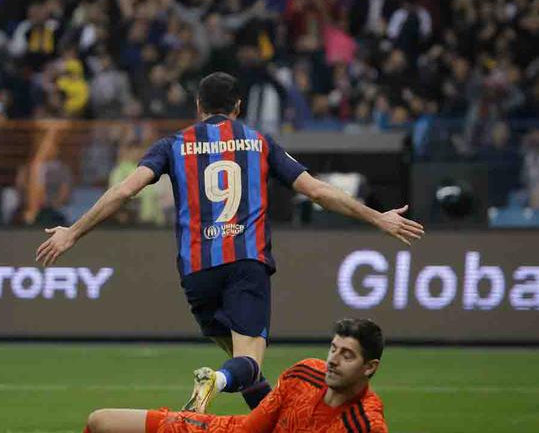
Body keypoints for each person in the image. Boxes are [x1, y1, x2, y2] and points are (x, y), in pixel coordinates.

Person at [37, 72, 423, 412]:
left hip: (197, 272)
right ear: (238, 106)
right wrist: (377, 217)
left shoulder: (172, 145)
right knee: (244, 365)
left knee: (244, 368)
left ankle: (278, 426)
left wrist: (72, 231)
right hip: (244, 264)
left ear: (198, 106)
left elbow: (123, 192)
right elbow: (318, 192)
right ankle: (215, 382)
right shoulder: (259, 143)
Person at [84, 318, 388, 433]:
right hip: (232, 431)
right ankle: (213, 388)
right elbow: (253, 426)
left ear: (369, 367)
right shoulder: (306, 372)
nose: (333, 361)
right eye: (333, 350)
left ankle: (216, 385)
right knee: (101, 422)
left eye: (347, 355)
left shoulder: (365, 425)